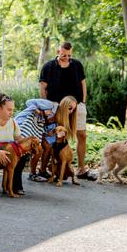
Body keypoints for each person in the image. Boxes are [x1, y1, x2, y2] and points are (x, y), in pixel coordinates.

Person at [39, 41, 95, 180]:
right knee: (54, 137)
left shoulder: (76, 64)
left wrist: (83, 101)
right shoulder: (48, 67)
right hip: (56, 105)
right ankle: (48, 170)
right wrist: (47, 106)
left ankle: (81, 170)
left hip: (77, 105)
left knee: (82, 135)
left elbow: (83, 83)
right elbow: (42, 87)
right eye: (64, 55)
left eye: (69, 55)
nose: (66, 57)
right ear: (58, 52)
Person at [12, 99, 55, 194]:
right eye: (49, 110)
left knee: (21, 164)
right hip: (18, 138)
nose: (51, 112)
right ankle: (16, 186)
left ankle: (16, 186)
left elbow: (38, 132)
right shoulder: (32, 111)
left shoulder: (41, 118)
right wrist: (36, 108)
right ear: (42, 108)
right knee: (18, 164)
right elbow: (29, 101)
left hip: (26, 142)